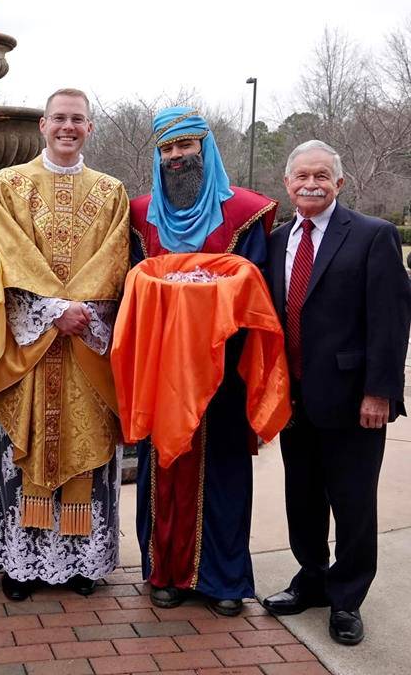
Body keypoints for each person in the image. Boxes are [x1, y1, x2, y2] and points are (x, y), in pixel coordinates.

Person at [0, 88, 130, 600]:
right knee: (26, 444)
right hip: (29, 345)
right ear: (42, 125)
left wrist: (81, 314)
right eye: (59, 118)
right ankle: (22, 564)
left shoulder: (111, 191)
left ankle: (83, 562)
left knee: (87, 447)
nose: (68, 127)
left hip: (86, 343)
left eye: (77, 119)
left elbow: (114, 262)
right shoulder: (8, 184)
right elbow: (6, 255)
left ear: (90, 128)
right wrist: (52, 310)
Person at [129, 107, 277, 616]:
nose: (176, 157)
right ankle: (165, 573)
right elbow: (131, 284)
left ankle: (224, 580)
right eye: (167, 149)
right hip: (162, 369)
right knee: (164, 470)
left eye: (185, 145)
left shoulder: (246, 212)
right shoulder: (141, 214)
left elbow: (258, 286)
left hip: (223, 368)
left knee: (225, 471)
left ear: (205, 147)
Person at [262, 139, 411, 645]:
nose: (311, 184)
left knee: (353, 504)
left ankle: (347, 599)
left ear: (339, 183)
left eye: (321, 176)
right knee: (301, 497)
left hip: (353, 400)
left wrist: (380, 392)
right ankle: (311, 578)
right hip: (294, 398)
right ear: (287, 183)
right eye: (302, 176)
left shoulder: (372, 235)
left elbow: (391, 321)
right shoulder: (276, 241)